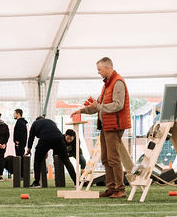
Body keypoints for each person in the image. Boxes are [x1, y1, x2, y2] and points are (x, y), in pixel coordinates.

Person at [71, 57, 130, 198]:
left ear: (107, 68)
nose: (98, 72)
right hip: (106, 126)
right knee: (105, 158)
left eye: (99, 69)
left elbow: (118, 105)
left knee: (113, 158)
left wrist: (98, 106)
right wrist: (82, 110)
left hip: (114, 125)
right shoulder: (107, 85)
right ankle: (111, 187)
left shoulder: (118, 82)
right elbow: (97, 106)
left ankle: (120, 189)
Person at [26, 116, 76, 187]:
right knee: (66, 161)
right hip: (59, 138)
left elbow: (31, 137)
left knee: (37, 160)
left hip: (44, 139)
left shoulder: (35, 123)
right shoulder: (50, 121)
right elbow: (53, 133)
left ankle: (36, 182)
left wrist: (29, 149)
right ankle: (76, 181)